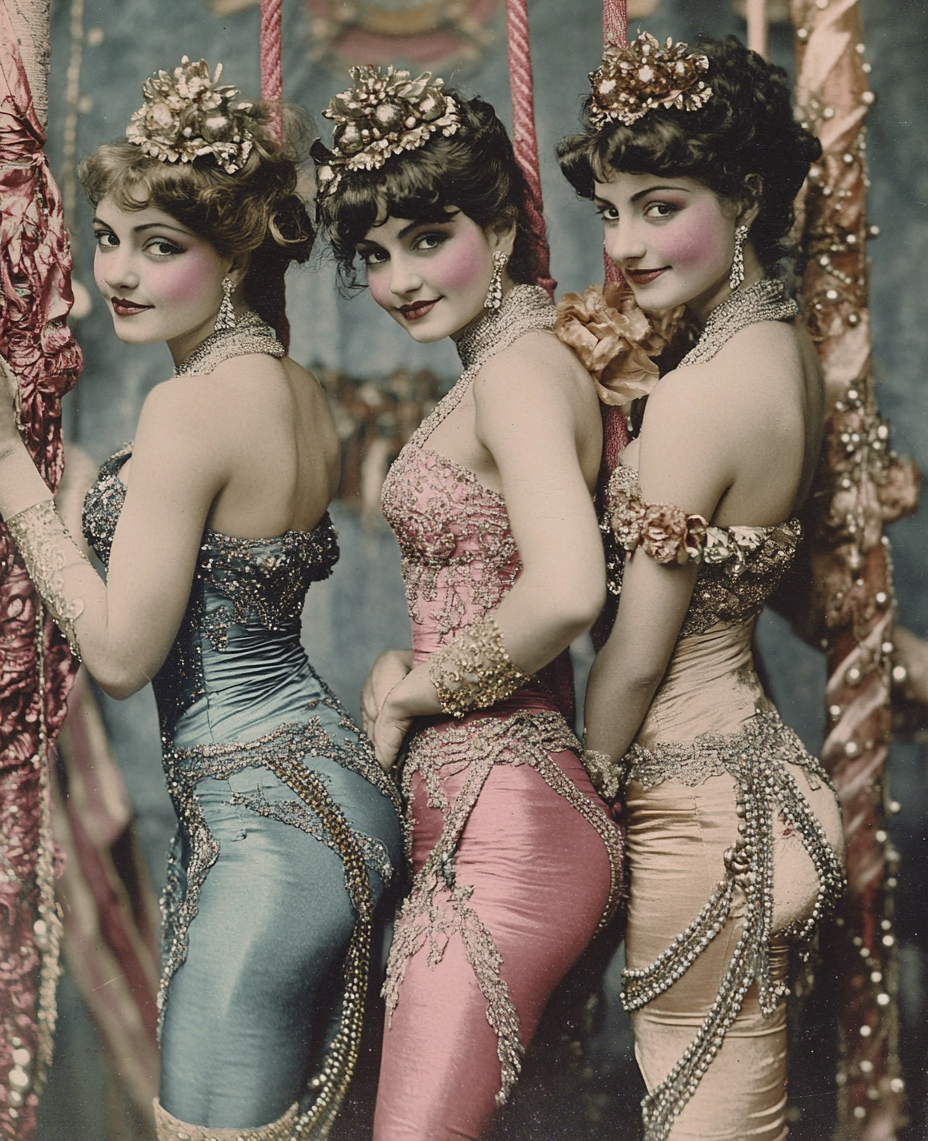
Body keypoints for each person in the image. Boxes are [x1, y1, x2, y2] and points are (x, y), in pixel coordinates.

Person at [0, 57, 403, 1140]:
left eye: (162, 245)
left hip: (267, 822)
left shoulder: (190, 408)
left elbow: (125, 655)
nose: (121, 271)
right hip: (327, 793)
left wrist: (12, 474)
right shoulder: (288, 385)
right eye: (112, 236)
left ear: (230, 256)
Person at [313, 66, 624, 1141]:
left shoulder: (520, 371)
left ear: (498, 231)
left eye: (425, 235)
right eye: (374, 253)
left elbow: (569, 585)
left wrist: (411, 689)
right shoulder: (495, 366)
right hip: (477, 806)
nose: (397, 276)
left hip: (515, 814)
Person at [555, 33, 846, 1141]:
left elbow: (635, 651)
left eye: (659, 205)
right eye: (611, 209)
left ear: (746, 193)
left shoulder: (699, 397)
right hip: (763, 779)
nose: (626, 243)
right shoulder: (783, 349)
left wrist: (585, 778)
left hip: (691, 808)